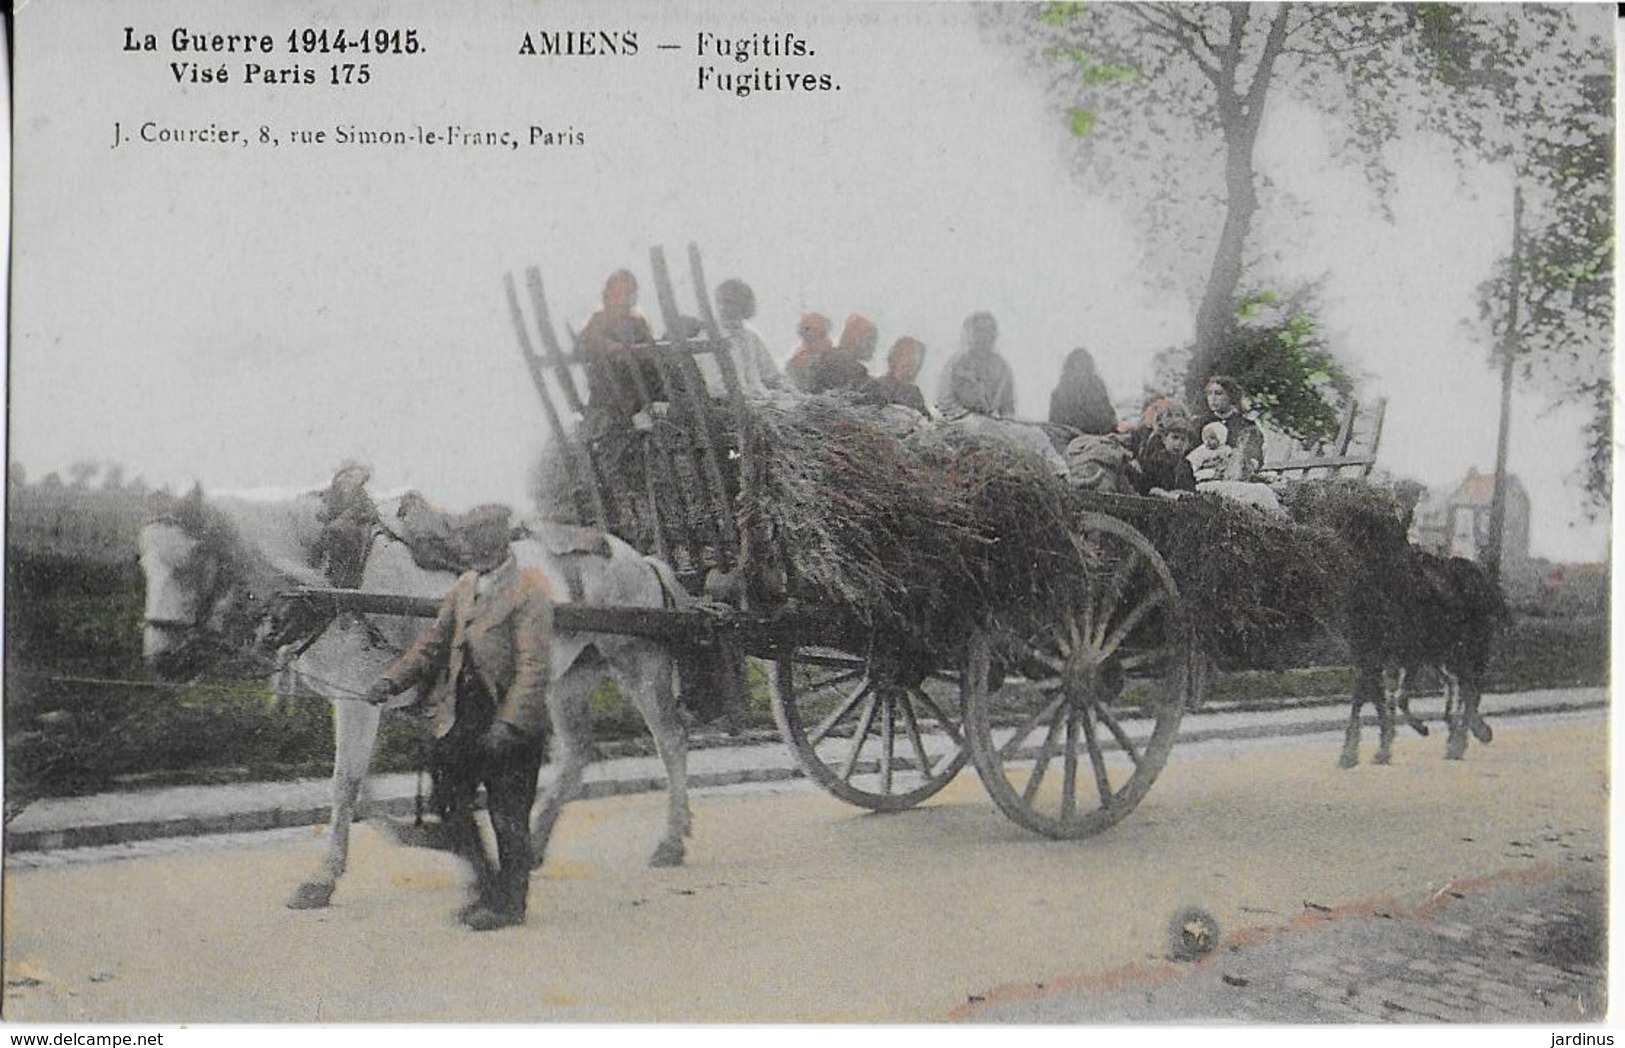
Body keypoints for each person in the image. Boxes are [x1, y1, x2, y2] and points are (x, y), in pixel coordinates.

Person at [365, 510, 553, 932]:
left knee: (509, 816)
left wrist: (509, 725)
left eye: (480, 538)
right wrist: (390, 680)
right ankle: (485, 887)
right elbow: (431, 644)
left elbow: (534, 668)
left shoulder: (530, 589)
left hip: (511, 722)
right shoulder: (464, 586)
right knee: (447, 802)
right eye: (469, 539)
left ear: (501, 541)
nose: (472, 547)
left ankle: (510, 905)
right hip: (461, 717)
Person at [580, 269, 658, 435]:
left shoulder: (636, 322)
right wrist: (611, 346)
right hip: (613, 389)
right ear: (608, 295)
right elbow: (590, 340)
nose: (625, 300)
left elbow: (649, 347)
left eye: (629, 295)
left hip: (640, 383)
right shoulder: (598, 321)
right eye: (621, 294)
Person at [937, 311, 1016, 419]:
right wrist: (970, 419)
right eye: (979, 330)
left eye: (989, 331)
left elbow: (1007, 407)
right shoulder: (956, 364)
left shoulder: (1002, 367)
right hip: (960, 426)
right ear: (970, 334)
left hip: (992, 427)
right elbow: (945, 401)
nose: (985, 336)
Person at [311, 462, 378, 588]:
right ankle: (319, 573)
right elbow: (319, 504)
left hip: (351, 539)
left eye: (354, 477)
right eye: (347, 475)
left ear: (361, 481)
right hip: (333, 535)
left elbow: (369, 513)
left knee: (347, 562)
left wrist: (345, 520)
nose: (348, 480)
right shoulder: (331, 492)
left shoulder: (362, 498)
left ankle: (343, 583)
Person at [711, 278, 780, 397]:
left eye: (730, 302)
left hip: (760, 399)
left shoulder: (751, 335)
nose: (722, 307)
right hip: (731, 404)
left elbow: (770, 374)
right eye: (719, 302)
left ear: (744, 305)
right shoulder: (709, 336)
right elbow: (715, 385)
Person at [1196, 375, 1265, 480]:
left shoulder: (1246, 425)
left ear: (1231, 396)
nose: (1212, 398)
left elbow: (1254, 458)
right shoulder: (1199, 424)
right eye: (1209, 394)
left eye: (1218, 394)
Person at [1048, 347, 1118, 436]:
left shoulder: (1097, 387)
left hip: (1098, 437)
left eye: (1083, 367)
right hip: (1072, 439)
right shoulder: (1058, 395)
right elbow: (1055, 427)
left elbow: (1109, 417)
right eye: (1077, 367)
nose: (1080, 372)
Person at [857, 336, 928, 414]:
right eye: (906, 355)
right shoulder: (875, 386)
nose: (911, 360)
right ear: (894, 357)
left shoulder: (913, 393)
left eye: (914, 357)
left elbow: (926, 420)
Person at [1134, 415, 1198, 495]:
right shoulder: (1154, 462)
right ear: (1164, 439)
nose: (1178, 443)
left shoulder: (1185, 465)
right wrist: (1163, 493)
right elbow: (1145, 488)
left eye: (1183, 439)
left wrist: (1186, 493)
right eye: (1175, 438)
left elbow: (1191, 489)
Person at [784, 312, 836, 393]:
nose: (815, 340)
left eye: (818, 333)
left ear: (826, 333)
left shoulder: (841, 356)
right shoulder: (795, 363)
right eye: (807, 333)